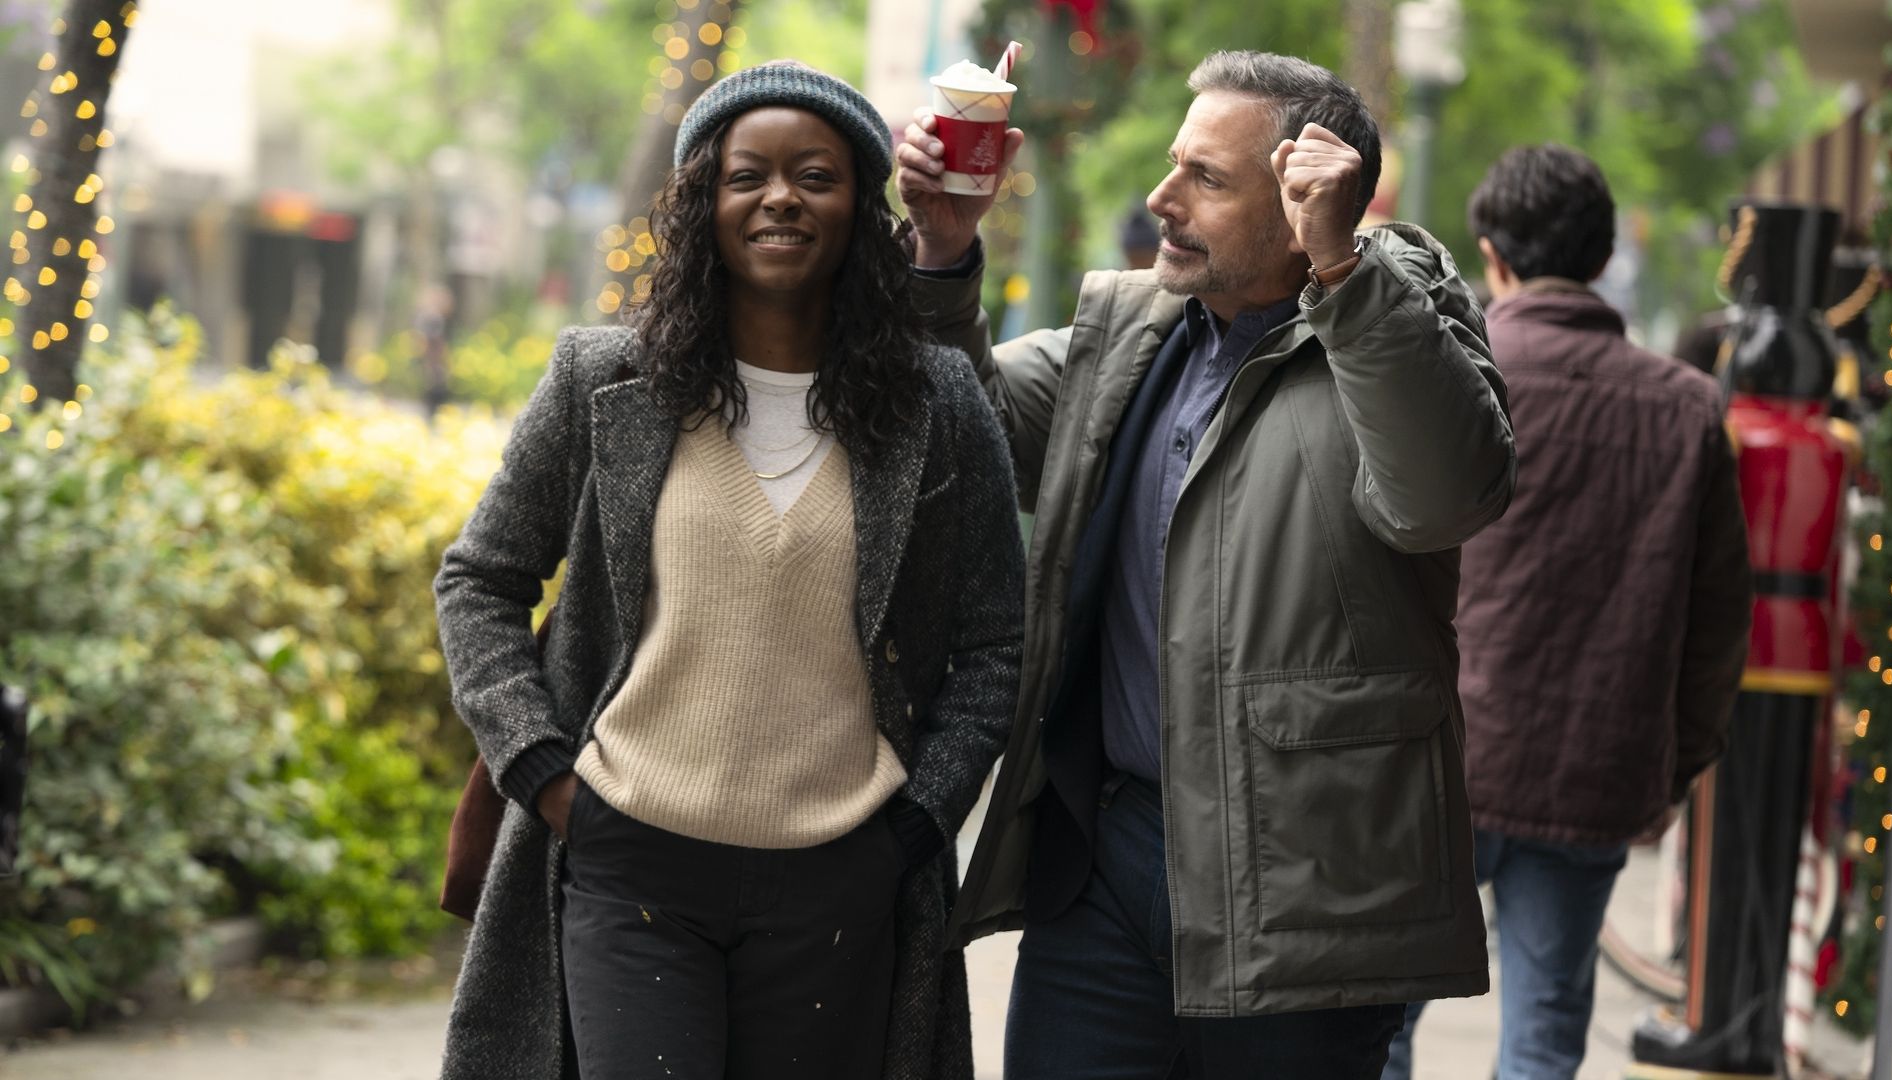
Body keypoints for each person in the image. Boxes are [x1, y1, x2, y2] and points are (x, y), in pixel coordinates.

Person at [896, 50, 1515, 1079]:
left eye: (1206, 180)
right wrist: (944, 252)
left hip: (1306, 898)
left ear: (1305, 203)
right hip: (1100, 872)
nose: (1161, 199)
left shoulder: (1398, 320)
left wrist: (1345, 276)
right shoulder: (1130, 328)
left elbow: (1445, 496)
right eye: (1176, 165)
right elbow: (971, 433)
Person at [434, 62, 1025, 1080]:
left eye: (816, 176)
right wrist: (544, 772)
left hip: (840, 881)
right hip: (632, 867)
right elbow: (481, 577)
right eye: (747, 176)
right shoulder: (602, 379)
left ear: (859, 208)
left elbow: (994, 641)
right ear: (701, 201)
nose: (781, 198)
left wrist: (916, 825)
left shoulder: (935, 404)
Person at [1383, 145, 1752, 1080]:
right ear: (1601, 255)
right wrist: (1674, 771)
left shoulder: (1445, 374)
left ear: (1491, 255)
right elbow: (1716, 625)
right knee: (1545, 1036)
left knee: (1374, 1030)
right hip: (1596, 768)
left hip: (1438, 764)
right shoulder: (1688, 407)